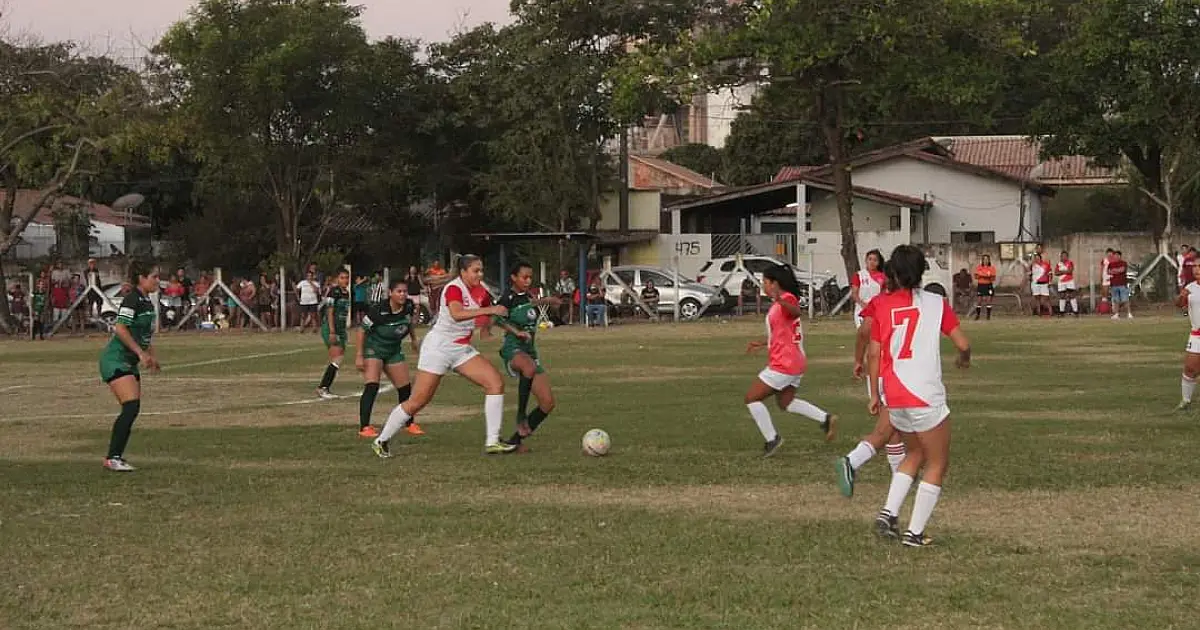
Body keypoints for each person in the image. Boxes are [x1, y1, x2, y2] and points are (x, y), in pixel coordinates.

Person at [866, 245, 971, 547]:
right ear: (922, 271)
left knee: (914, 453)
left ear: (893, 273)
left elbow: (875, 352)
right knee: (937, 462)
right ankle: (914, 533)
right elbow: (963, 345)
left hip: (895, 393)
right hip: (924, 393)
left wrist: (875, 393)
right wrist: (964, 360)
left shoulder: (882, 305)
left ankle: (888, 512)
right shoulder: (937, 303)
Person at [371, 255, 517, 457]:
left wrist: (505, 327)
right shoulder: (454, 288)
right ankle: (381, 440)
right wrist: (490, 309)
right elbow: (457, 314)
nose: (480, 274)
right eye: (476, 270)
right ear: (463, 272)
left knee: (495, 383)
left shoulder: (481, 291)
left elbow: (490, 315)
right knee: (418, 401)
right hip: (438, 348)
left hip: (461, 349)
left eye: (481, 270)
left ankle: (492, 442)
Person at [744, 264, 838, 457]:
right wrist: (763, 343)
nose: (763, 286)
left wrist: (779, 299)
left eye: (765, 282)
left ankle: (772, 439)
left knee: (751, 398)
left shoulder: (786, 299)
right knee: (786, 402)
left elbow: (795, 312)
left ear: (774, 284)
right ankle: (826, 418)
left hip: (784, 363)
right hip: (794, 361)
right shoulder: (781, 302)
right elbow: (783, 331)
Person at [837, 286, 908, 498]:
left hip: (883, 371)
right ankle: (851, 461)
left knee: (893, 428)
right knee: (887, 427)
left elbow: (863, 334)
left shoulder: (879, 301)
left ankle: (899, 476)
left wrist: (859, 361)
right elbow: (865, 333)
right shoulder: (907, 301)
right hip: (893, 373)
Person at [97, 261, 161, 472]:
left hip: (129, 360)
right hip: (115, 359)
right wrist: (140, 353)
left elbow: (144, 334)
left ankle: (115, 456)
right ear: (141, 278)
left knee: (132, 408)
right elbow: (121, 328)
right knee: (131, 406)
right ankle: (112, 458)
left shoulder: (146, 301)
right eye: (154, 276)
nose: (157, 280)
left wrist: (151, 355)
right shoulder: (132, 299)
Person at [494, 262, 562, 452]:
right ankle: (520, 416)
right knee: (529, 367)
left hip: (530, 352)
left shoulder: (527, 295)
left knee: (547, 403)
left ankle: (515, 441)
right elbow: (496, 318)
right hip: (513, 348)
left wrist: (547, 300)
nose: (528, 280)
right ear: (513, 278)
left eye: (530, 277)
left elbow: (529, 304)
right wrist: (516, 332)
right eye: (524, 277)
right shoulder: (507, 297)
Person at [355, 279, 423, 438]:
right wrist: (359, 355)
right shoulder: (378, 310)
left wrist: (413, 339)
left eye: (405, 291)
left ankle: (409, 423)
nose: (403, 294)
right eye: (399, 291)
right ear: (390, 293)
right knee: (372, 386)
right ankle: (365, 427)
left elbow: (409, 323)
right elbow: (361, 330)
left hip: (393, 350)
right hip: (374, 349)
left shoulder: (408, 306)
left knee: (405, 388)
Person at [316, 269, 351, 399]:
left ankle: (325, 387)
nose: (345, 280)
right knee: (337, 357)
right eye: (342, 278)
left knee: (339, 357)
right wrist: (332, 331)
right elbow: (329, 312)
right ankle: (323, 387)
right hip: (331, 328)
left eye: (347, 278)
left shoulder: (346, 293)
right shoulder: (333, 292)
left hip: (341, 329)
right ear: (337, 279)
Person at [1176, 264, 1200, 410]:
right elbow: (1180, 306)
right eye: (1195, 266)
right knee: (1190, 369)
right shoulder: (1189, 288)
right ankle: (1186, 401)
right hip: (1197, 335)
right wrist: (1181, 297)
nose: (1197, 269)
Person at [851, 249, 886, 327]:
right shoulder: (859, 275)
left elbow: (884, 294)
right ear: (866, 260)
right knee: (864, 333)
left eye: (875, 260)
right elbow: (854, 293)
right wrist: (863, 304)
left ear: (878, 262)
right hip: (862, 309)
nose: (872, 262)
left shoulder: (883, 277)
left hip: (877, 309)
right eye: (870, 259)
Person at [1108, 250, 1132, 320]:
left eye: (1116, 255)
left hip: (1122, 284)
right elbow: (1109, 271)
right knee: (1116, 300)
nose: (1115, 257)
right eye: (1114, 255)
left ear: (1119, 256)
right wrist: (1117, 270)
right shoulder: (1111, 264)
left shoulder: (1123, 263)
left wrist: (1114, 271)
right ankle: (1116, 314)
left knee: (1125, 299)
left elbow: (1122, 270)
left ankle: (1129, 313)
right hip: (1113, 284)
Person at [972, 255, 996, 320]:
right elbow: (976, 276)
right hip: (981, 285)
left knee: (988, 301)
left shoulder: (992, 268)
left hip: (988, 285)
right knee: (979, 301)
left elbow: (992, 278)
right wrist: (986, 276)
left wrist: (982, 275)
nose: (985, 260)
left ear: (989, 260)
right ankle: (978, 315)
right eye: (984, 259)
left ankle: (988, 316)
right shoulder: (979, 267)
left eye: (987, 259)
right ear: (982, 260)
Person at [1056, 251, 1079, 316]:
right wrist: (1065, 271)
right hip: (1061, 282)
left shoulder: (1070, 262)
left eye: (1065, 256)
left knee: (1072, 296)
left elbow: (1070, 271)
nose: (1064, 257)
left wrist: (1061, 271)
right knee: (1062, 296)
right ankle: (1061, 312)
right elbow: (1056, 273)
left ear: (1067, 256)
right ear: (1061, 257)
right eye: (1062, 256)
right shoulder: (1058, 264)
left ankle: (1075, 312)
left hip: (1069, 281)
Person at [1030, 253, 1051, 317]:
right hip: (1035, 284)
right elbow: (1030, 273)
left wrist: (1050, 282)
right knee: (1037, 299)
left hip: (1044, 283)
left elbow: (1050, 274)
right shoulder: (1033, 265)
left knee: (1045, 299)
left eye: (1038, 258)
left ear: (1040, 258)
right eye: (1035, 258)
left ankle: (1050, 313)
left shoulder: (1046, 264)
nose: (1037, 259)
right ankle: (1039, 313)